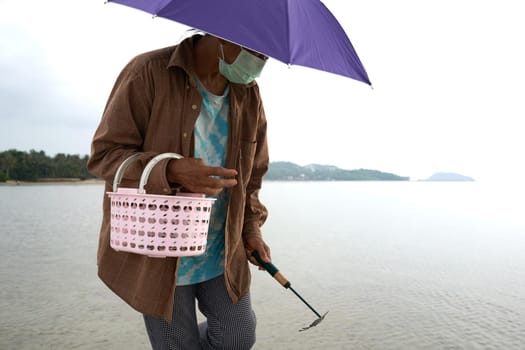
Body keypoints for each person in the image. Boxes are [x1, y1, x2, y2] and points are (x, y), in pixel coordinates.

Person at [87, 32, 272, 349]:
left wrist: (251, 228)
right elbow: (104, 156)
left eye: (266, 54)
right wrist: (170, 170)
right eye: (255, 48)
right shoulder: (148, 71)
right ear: (221, 35)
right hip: (158, 246)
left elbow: (253, 174)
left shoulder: (249, 94)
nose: (260, 60)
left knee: (237, 337)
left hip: (222, 247)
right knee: (176, 345)